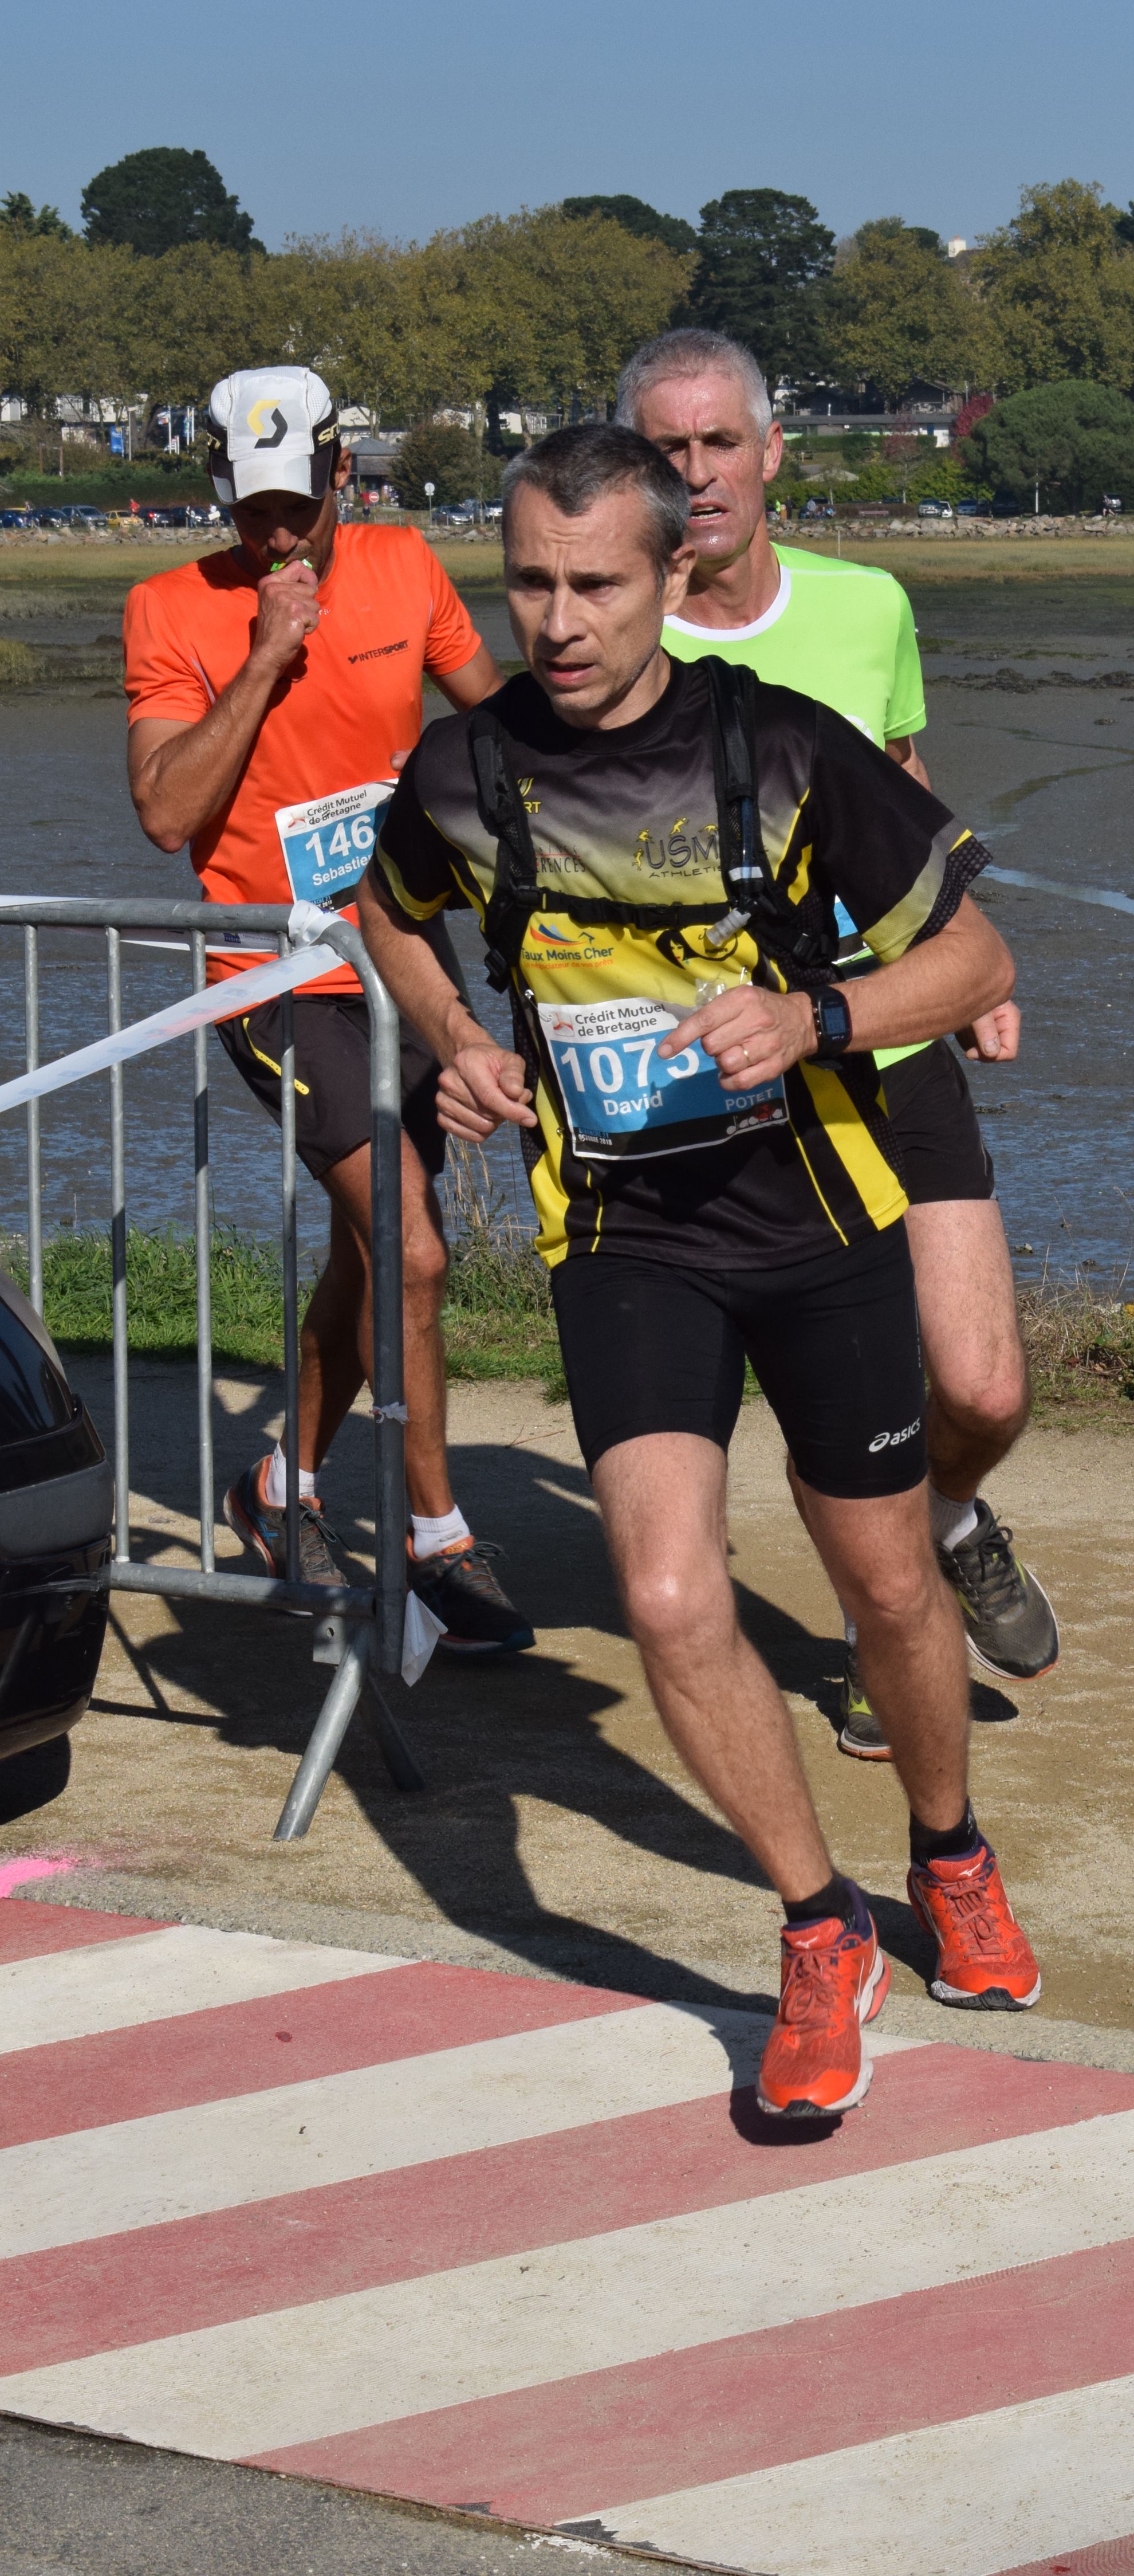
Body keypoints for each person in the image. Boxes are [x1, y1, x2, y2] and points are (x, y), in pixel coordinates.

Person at [356, 425, 1042, 2115]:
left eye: (596, 584)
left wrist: (816, 1016)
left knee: (892, 1589)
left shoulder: (785, 749)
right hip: (625, 1235)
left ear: (677, 574)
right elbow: (385, 909)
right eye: (529, 583)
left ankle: (948, 1850)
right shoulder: (464, 769)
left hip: (818, 1220)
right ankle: (820, 1926)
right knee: (668, 1596)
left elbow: (976, 958)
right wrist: (454, 1038)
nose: (558, 622)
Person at [616, 329, 1057, 1760]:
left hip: (879, 1031)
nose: (698, 474)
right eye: (668, 450)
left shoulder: (869, 608)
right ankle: (888, 1631)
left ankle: (943, 1520)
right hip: (723, 1074)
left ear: (769, 453)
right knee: (829, 1397)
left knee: (983, 1386)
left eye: (718, 444)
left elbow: (902, 786)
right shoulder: (616, 641)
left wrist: (958, 963)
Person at [123, 366, 531, 1654]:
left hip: (404, 962)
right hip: (273, 980)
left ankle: (279, 1481)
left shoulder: (406, 568)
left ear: (343, 475)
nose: (276, 535)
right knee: (414, 1252)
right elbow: (166, 813)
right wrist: (264, 655)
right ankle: (436, 1540)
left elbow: (508, 732)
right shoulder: (168, 606)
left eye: (296, 506)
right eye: (251, 510)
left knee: (375, 1256)